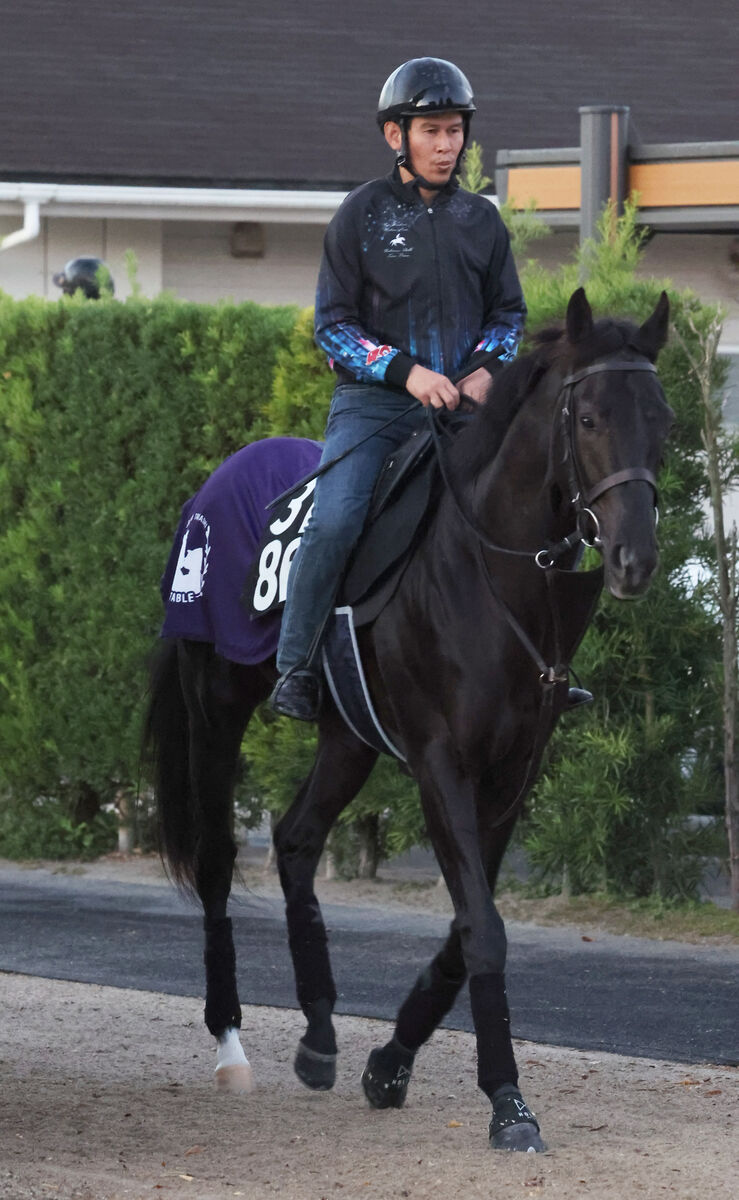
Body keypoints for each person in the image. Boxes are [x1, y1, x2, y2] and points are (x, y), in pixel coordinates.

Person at [270, 57, 527, 721]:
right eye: (432, 131)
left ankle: (545, 669)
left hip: (464, 411)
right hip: (375, 408)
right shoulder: (358, 216)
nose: (447, 145)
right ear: (395, 135)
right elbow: (333, 328)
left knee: (530, 501)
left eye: (455, 131)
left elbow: (508, 316)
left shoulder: (482, 221)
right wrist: (406, 372)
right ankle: (294, 668)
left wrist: (483, 369)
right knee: (334, 523)